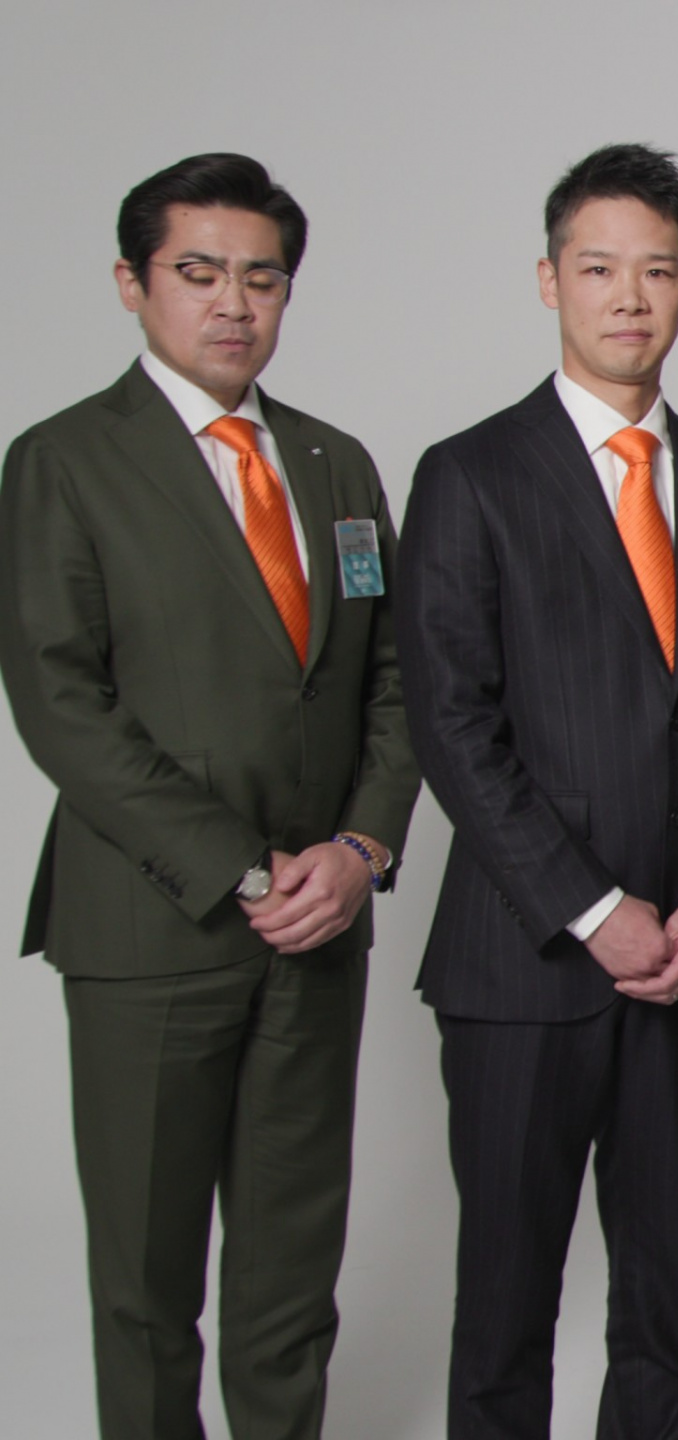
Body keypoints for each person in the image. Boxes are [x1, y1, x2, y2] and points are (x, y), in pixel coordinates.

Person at [0, 152, 418, 1440]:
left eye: (261, 277)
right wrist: (243, 869)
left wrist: (359, 848)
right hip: (153, 929)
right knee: (145, 1281)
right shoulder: (65, 460)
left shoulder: (336, 465)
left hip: (320, 923)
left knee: (291, 1275)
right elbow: (61, 702)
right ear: (132, 284)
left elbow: (396, 682)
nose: (234, 303)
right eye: (198, 272)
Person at [398, 143, 678, 1439]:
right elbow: (452, 723)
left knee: (669, 1290)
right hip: (525, 965)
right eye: (599, 268)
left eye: (657, 271)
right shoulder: (470, 475)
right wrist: (590, 907)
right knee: (507, 1296)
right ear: (549, 280)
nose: (630, 296)